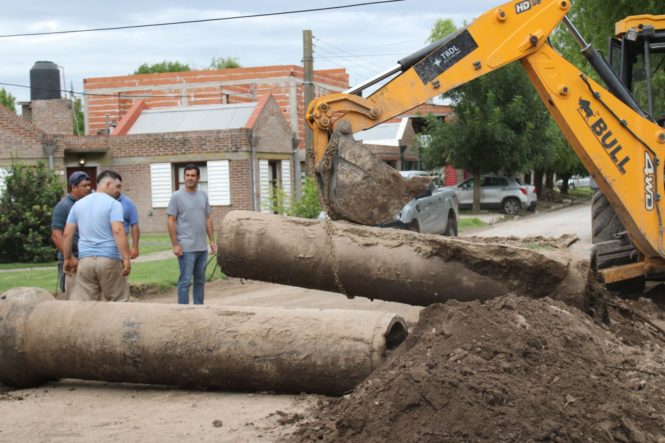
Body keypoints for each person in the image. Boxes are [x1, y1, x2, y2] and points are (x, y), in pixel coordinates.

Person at [63, 170, 131, 302]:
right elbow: (118, 231)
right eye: (117, 186)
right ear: (108, 184)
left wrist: (67, 259)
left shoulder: (78, 204)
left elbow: (67, 234)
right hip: (109, 260)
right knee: (119, 302)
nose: (119, 191)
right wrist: (126, 258)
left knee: (87, 306)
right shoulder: (114, 204)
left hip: (85, 262)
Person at [167, 164, 216, 305]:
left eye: (193, 175)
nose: (190, 178)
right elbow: (170, 220)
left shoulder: (203, 195)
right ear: (184, 177)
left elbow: (207, 218)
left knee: (200, 281)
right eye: (187, 175)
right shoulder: (176, 196)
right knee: (185, 281)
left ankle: (198, 309)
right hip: (185, 247)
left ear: (198, 178)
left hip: (202, 247)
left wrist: (211, 241)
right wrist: (175, 244)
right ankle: (183, 311)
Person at [50, 171, 92, 299]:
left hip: (87, 258)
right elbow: (56, 235)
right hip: (72, 260)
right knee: (73, 298)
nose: (89, 188)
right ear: (73, 187)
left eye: (89, 185)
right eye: (84, 186)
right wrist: (70, 256)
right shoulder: (63, 207)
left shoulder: (86, 205)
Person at [118, 192, 140, 259]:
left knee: (123, 266)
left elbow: (134, 225)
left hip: (123, 243)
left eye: (119, 186)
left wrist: (135, 247)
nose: (117, 189)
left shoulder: (128, 202)